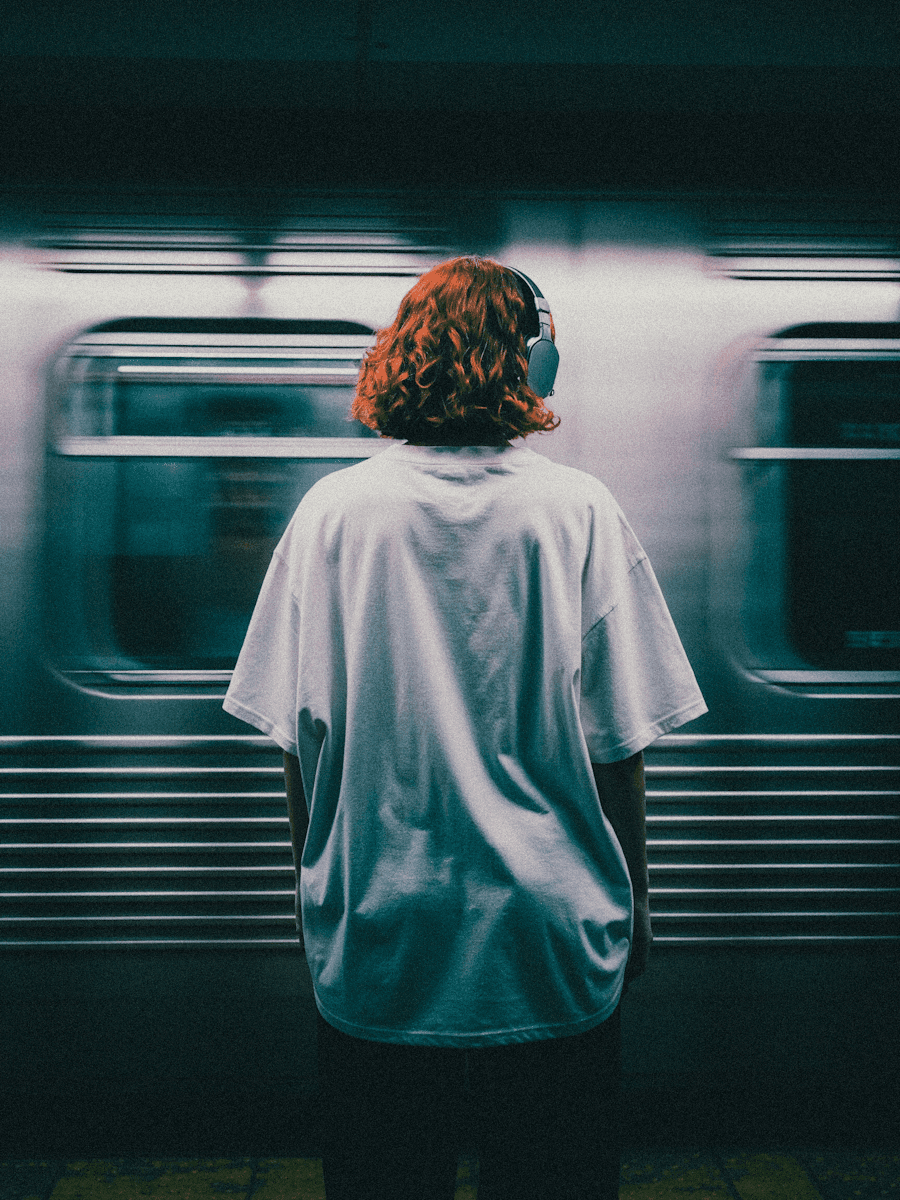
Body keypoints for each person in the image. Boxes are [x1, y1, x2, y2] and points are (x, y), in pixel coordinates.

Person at [223, 256, 707, 1199]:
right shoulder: (579, 512)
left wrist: (312, 889)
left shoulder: (331, 515)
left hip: (380, 946)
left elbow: (296, 743)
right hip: (551, 944)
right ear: (531, 362)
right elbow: (620, 751)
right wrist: (637, 902)